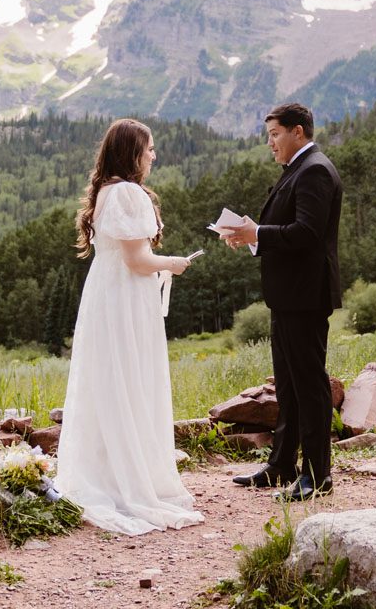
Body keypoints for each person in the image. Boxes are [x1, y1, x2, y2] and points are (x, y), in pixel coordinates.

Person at [54, 118, 205, 536]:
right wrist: (174, 264)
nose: (154, 155)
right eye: (149, 148)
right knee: (131, 379)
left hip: (106, 294)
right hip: (126, 296)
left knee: (110, 381)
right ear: (132, 152)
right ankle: (132, 481)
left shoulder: (105, 192)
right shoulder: (129, 193)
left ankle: (109, 473)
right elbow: (137, 261)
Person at [221, 102, 343, 502]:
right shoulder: (297, 170)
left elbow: (307, 233)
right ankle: (281, 465)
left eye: (275, 135)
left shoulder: (315, 171)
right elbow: (286, 231)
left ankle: (316, 475)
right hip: (288, 296)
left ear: (298, 132)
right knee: (288, 386)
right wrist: (251, 236)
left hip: (306, 297)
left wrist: (260, 232)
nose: (270, 143)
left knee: (309, 385)